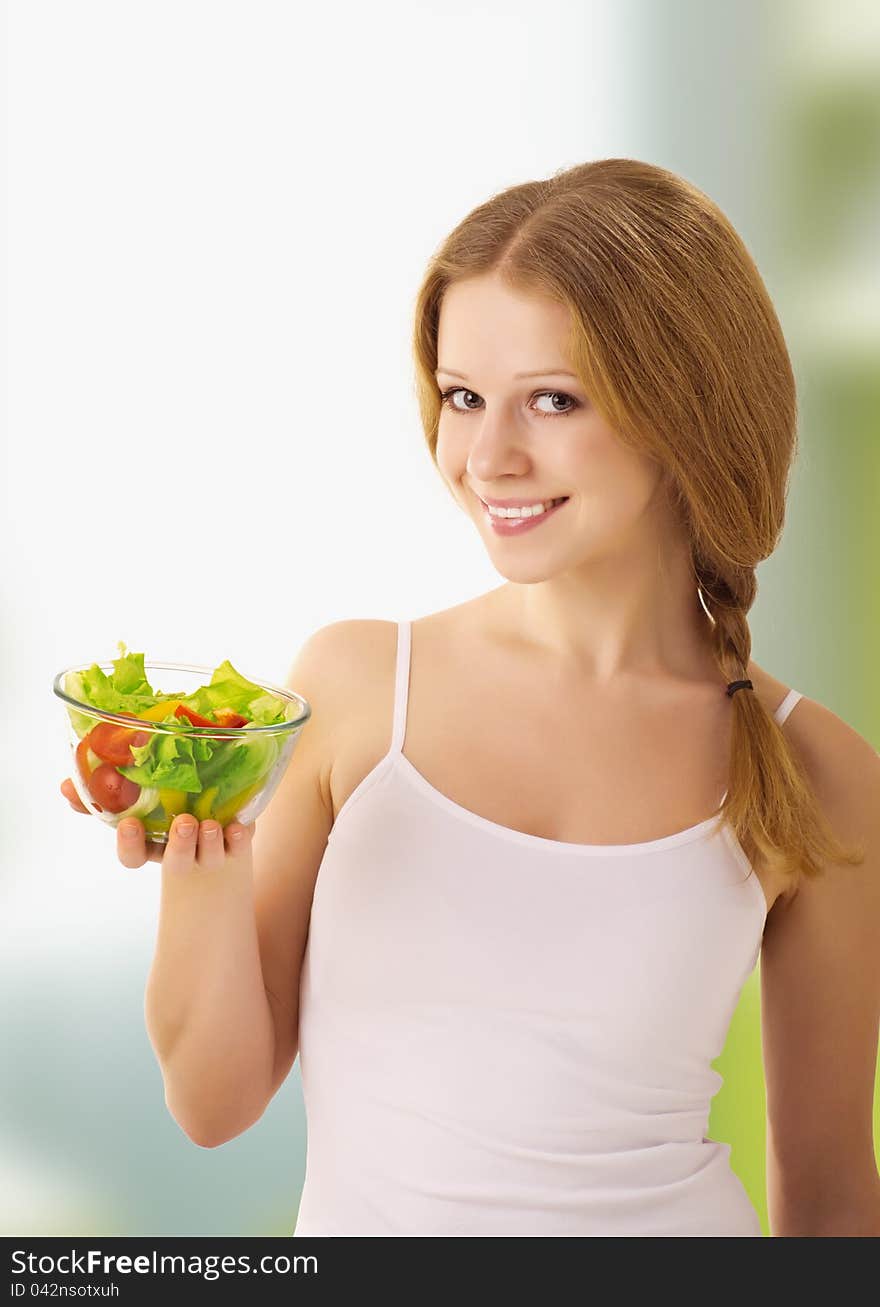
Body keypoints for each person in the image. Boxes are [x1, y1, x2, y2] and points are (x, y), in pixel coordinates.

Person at [62, 158, 880, 1237]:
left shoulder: (815, 767)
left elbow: (826, 1188)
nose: (487, 456)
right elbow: (213, 1102)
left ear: (684, 403)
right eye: (461, 397)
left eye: (552, 399)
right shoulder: (356, 690)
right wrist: (196, 858)